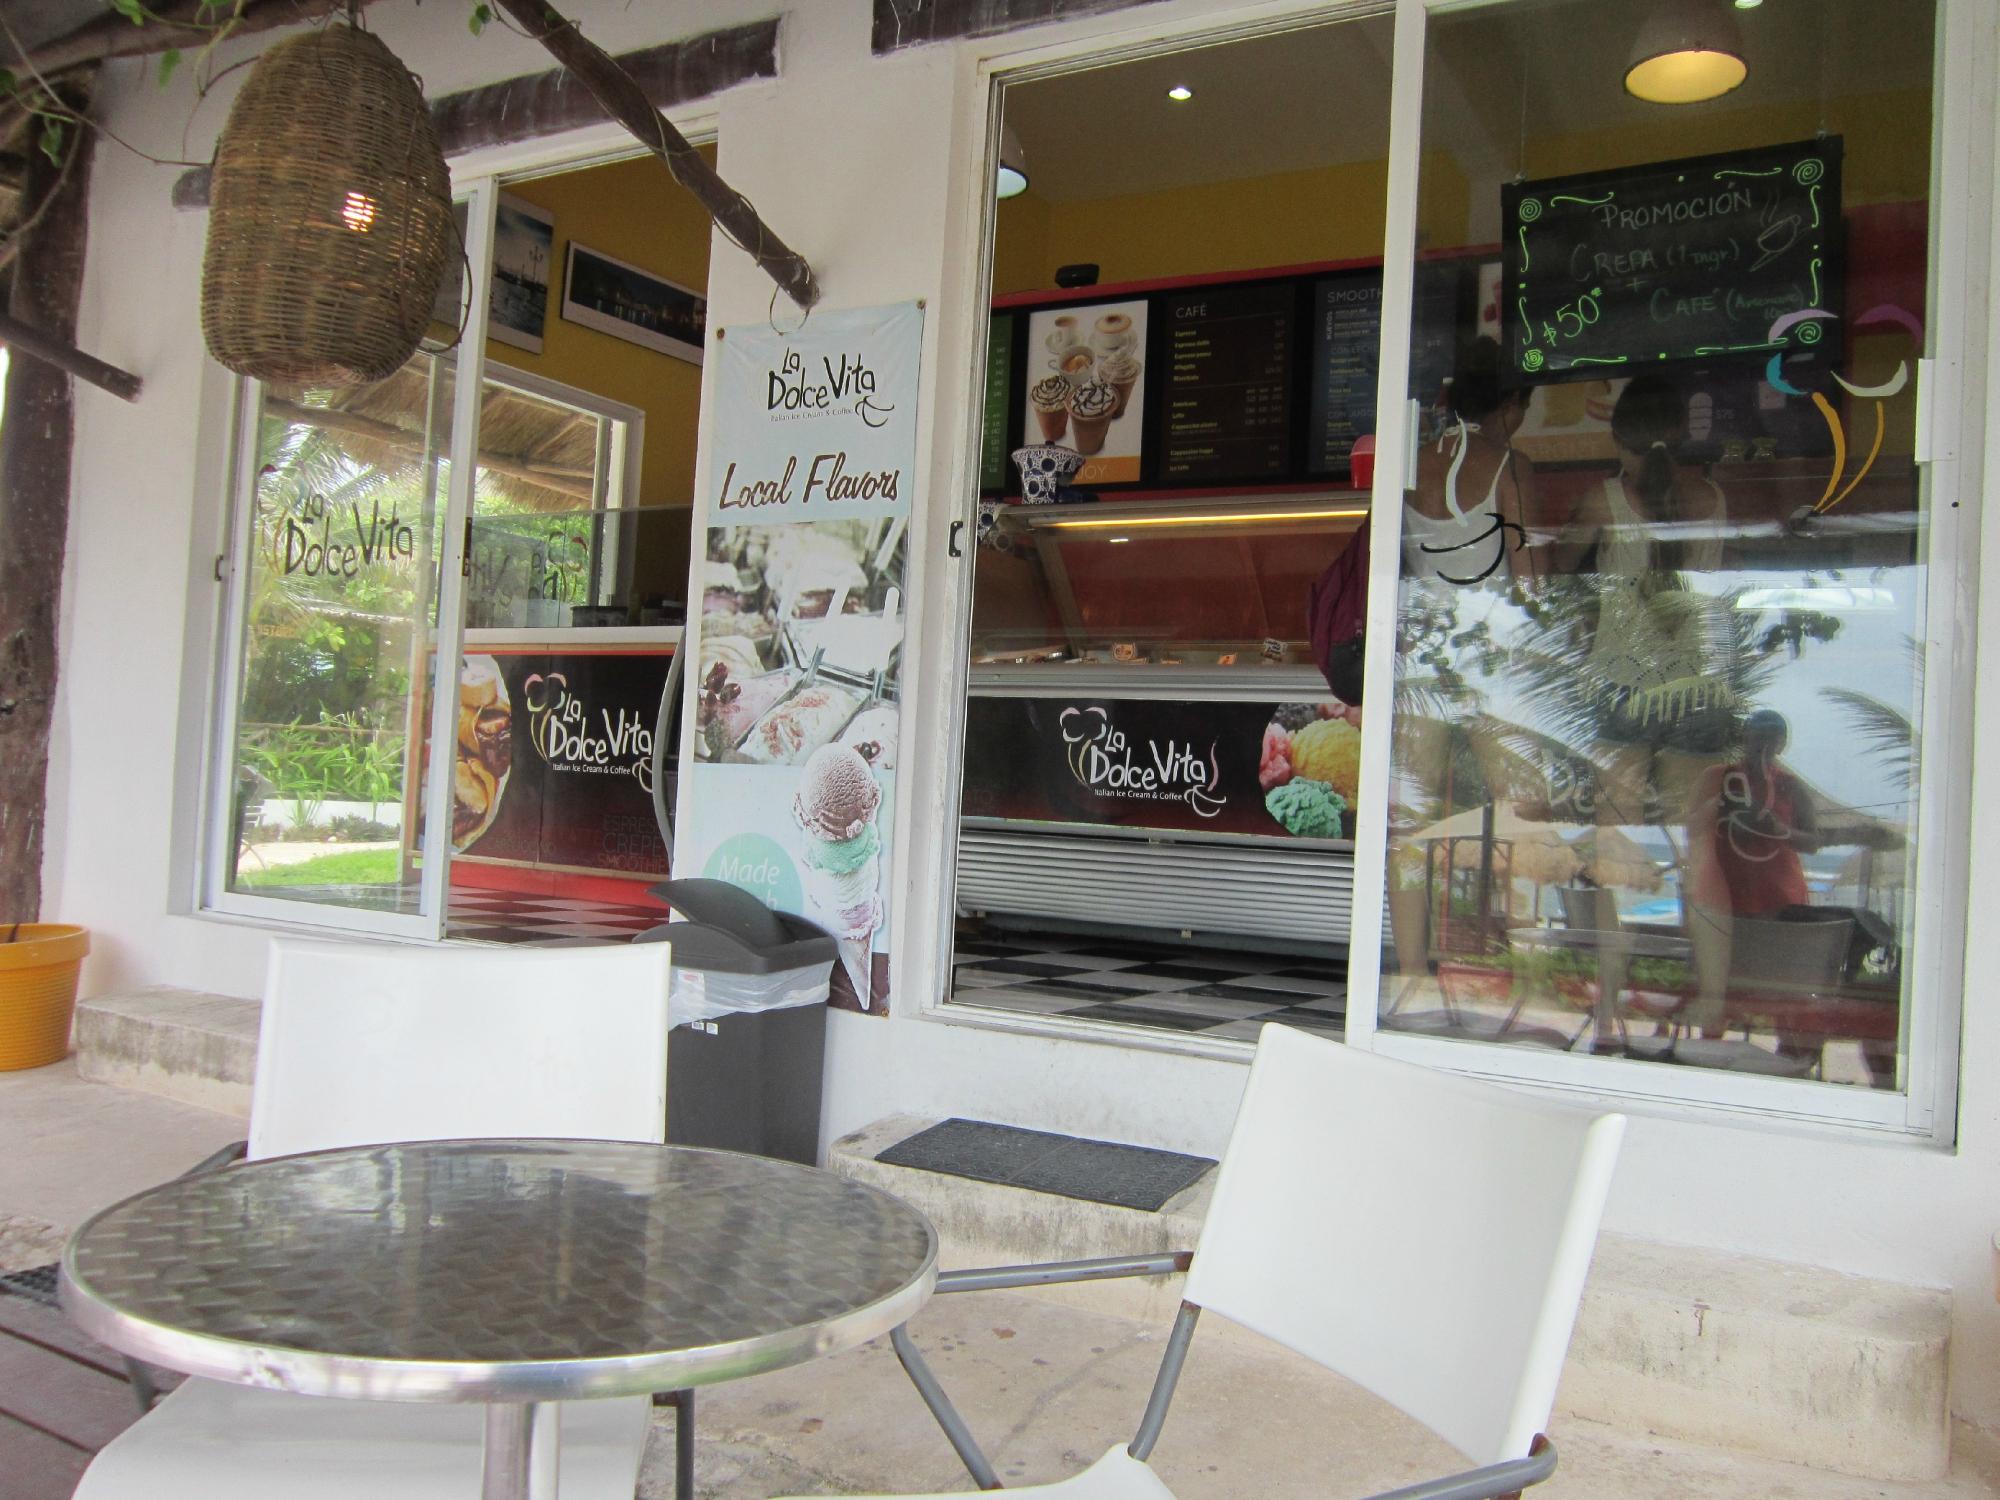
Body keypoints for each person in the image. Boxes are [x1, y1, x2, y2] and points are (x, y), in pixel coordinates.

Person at [1404, 337, 1536, 585]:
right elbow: (1530, 580)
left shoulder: (1411, 464)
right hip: (1491, 609)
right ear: (1512, 401)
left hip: (1416, 609)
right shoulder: (1510, 467)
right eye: (1525, 407)